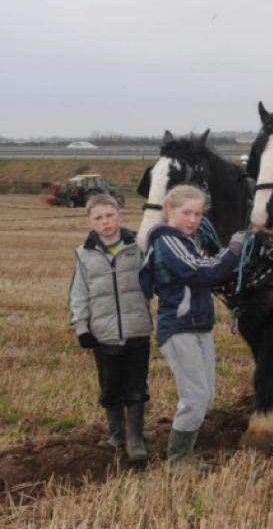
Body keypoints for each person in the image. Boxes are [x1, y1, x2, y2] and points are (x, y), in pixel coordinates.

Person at [139, 185, 246, 473]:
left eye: (198, 214)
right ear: (169, 210)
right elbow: (203, 271)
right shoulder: (167, 241)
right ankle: (178, 460)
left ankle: (186, 454)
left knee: (206, 395)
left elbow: (206, 266)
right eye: (186, 212)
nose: (193, 219)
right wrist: (235, 249)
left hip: (199, 327)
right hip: (179, 329)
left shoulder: (186, 242)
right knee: (195, 398)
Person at [69, 194, 152, 461]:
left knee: (137, 386)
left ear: (120, 215)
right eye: (98, 218)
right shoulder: (84, 255)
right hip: (103, 335)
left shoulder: (138, 245)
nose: (105, 222)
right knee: (110, 387)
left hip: (136, 331)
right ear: (89, 222)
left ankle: (135, 438)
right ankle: (116, 434)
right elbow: (79, 294)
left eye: (109, 215)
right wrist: (82, 327)